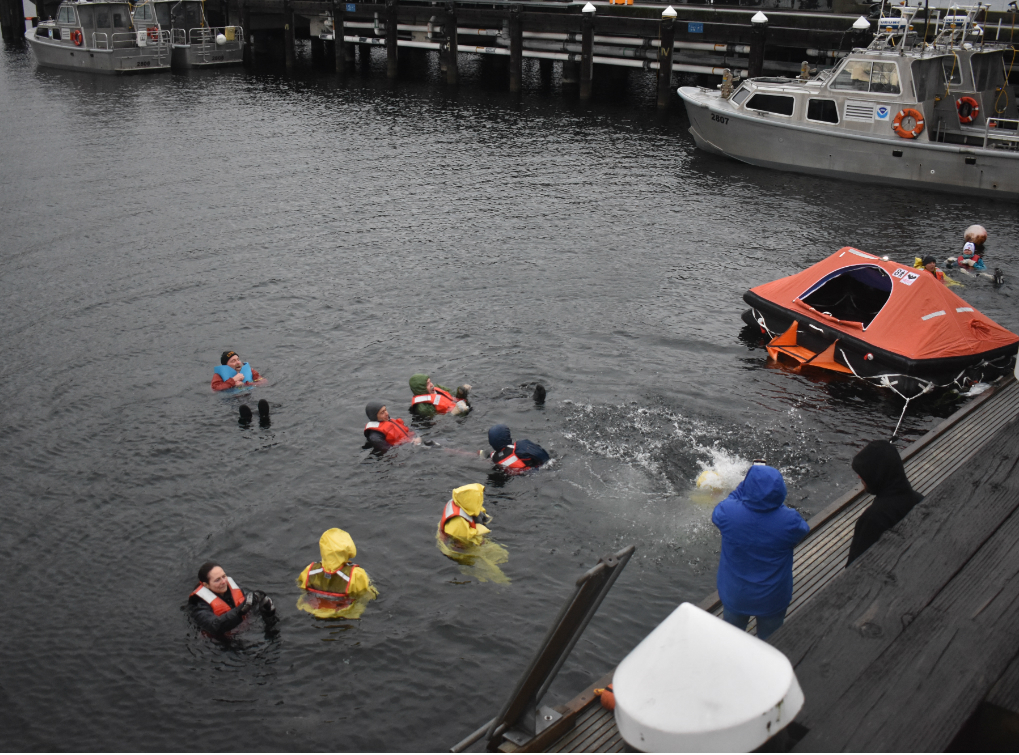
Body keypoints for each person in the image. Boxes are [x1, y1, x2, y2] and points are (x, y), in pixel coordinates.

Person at [711, 463, 809, 641]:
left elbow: (725, 504)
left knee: (732, 640)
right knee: (771, 641)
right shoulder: (790, 521)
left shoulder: (728, 513)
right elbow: (802, 531)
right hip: (772, 598)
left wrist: (743, 487)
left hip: (736, 595)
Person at [845, 440, 923, 566]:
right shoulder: (919, 500)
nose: (859, 477)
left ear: (878, 475)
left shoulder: (872, 520)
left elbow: (854, 567)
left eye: (864, 473)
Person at [296, 528, 378, 619]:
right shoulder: (356, 575)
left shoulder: (309, 570)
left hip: (311, 611)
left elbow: (301, 586)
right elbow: (367, 595)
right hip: (343, 614)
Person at [187, 562, 275, 635]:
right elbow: (214, 626)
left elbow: (248, 603)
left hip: (245, 629)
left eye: (224, 576)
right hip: (219, 642)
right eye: (217, 580)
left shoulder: (232, 588)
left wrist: (265, 608)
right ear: (206, 585)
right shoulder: (198, 603)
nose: (224, 582)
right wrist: (242, 609)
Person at [484, 424, 550, 472]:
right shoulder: (520, 446)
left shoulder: (493, 457)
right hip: (537, 472)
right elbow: (545, 457)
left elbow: (482, 454)